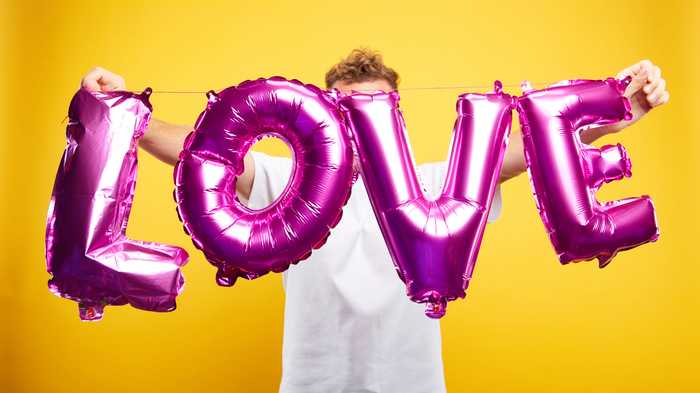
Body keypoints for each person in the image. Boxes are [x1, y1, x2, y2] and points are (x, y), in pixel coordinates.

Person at [81, 49, 669, 393]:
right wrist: (122, 110)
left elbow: (537, 147)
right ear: (321, 115)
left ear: (395, 116)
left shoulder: (439, 183)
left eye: (374, 107)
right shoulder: (283, 179)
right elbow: (201, 150)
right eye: (345, 108)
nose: (360, 121)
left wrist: (623, 109)